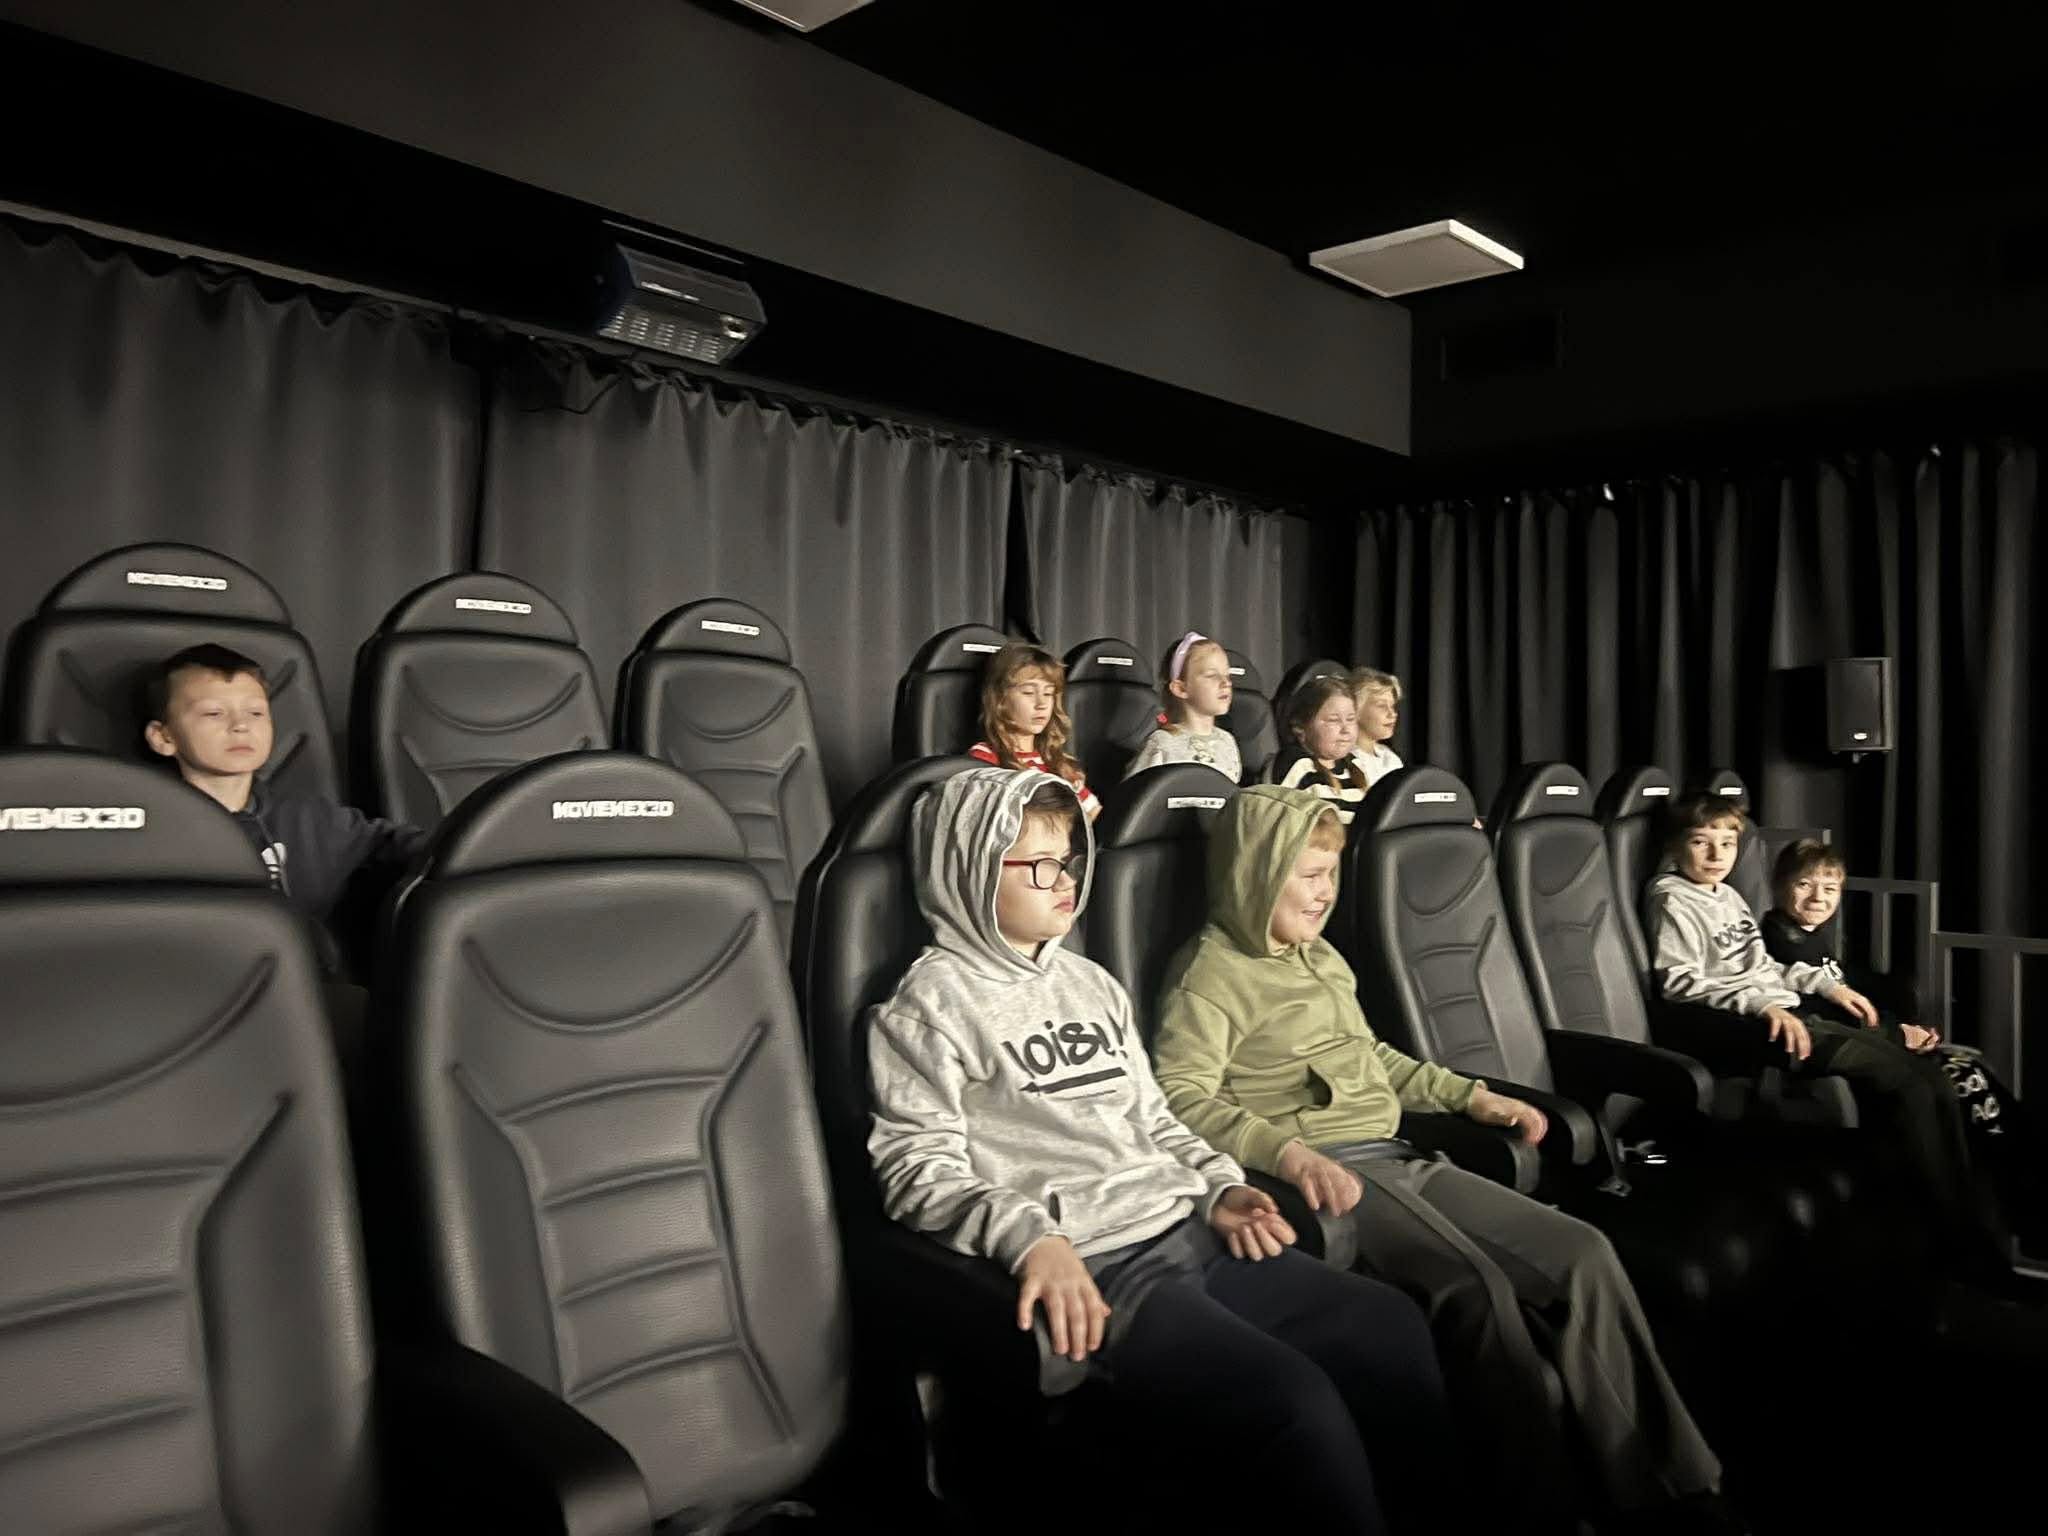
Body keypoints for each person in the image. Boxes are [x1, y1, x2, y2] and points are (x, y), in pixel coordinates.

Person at [866, 767, 1459, 1535]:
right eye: (1039, 865)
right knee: (1294, 1401)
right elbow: (915, 1169)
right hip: (1103, 1267)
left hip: (1192, 1229)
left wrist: (1218, 1187)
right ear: (971, 871)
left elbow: (1156, 1118)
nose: (1065, 882)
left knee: (1389, 1326)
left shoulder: (1092, 984)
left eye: (1070, 861)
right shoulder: (925, 1007)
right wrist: (1031, 1238)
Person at [1153, 787, 1735, 1536]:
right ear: (1256, 873)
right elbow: (1179, 1098)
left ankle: (1672, 1483)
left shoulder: (1320, 957)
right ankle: (1544, 1512)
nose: (1325, 892)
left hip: (1400, 1155)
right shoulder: (1207, 975)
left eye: (1331, 874)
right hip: (1325, 1170)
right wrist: (1285, 1153)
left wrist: (1472, 1096)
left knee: (1582, 1252)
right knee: (1476, 1290)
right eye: (1309, 875)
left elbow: (1374, 1058)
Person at [1644, 798, 2011, 1283]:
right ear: (1675, 847)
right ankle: (1956, 1240)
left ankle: (1968, 1227)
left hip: (1790, 1010)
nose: (1717, 855)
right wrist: (1760, 1006)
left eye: (1728, 843)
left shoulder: (1727, 896)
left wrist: (1825, 984)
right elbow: (1680, 982)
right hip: (1755, 1028)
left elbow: (1764, 968)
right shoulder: (1671, 898)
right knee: (1909, 1084)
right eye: (1701, 842)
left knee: (1931, 1077)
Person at [1761, 839, 2030, 1237]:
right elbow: (1821, 1014)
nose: (1818, 897)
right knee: (1965, 1079)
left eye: (1830, 888)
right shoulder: (1778, 939)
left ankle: (2014, 1191)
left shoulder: (1811, 935)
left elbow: (1850, 987)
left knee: (1973, 1071)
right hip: (1845, 1054)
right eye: (1804, 885)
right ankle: (2007, 1200)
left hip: (1874, 1038)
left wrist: (1905, 1023)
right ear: (1779, 885)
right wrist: (1899, 1033)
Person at [142, 643, 425, 957]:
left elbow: (398, 844)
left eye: (255, 713)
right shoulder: (149, 828)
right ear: (163, 737)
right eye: (214, 713)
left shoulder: (309, 818)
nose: (240, 725)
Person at [968, 641, 1099, 820]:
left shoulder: (1058, 764)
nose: (1041, 704)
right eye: (1029, 692)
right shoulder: (985, 758)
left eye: (1048, 693)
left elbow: (1095, 814)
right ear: (1000, 699)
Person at [1122, 630, 1242, 782]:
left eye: (1227, 675)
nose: (1226, 683)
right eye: (1212, 675)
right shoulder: (1162, 744)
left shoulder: (1227, 742)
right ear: (1181, 689)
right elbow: (1133, 792)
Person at [1271, 675, 1372, 822]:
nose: (1346, 730)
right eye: (1333, 720)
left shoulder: (1356, 765)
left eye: (1351, 719)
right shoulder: (1297, 764)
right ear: (1300, 728)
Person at [1347, 667, 1405, 788]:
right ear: (1355, 709)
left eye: (1392, 706)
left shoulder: (1391, 758)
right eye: (1382, 706)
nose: (1392, 714)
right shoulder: (1346, 762)